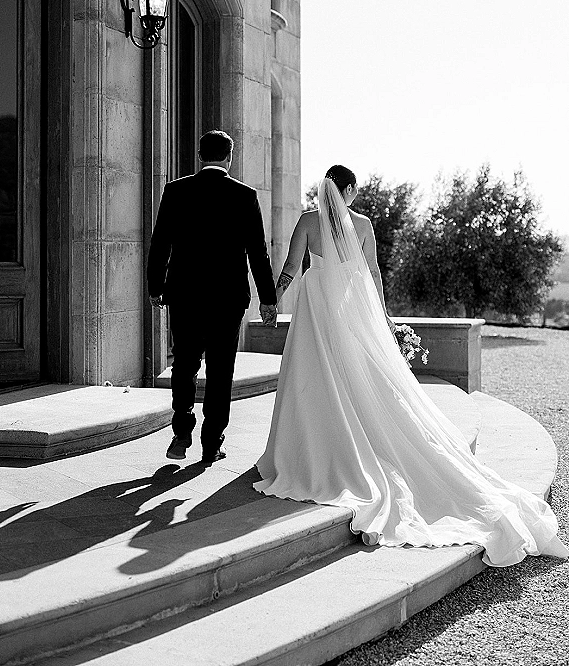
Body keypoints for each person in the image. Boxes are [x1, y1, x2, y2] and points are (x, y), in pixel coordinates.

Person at [254, 165, 568, 567]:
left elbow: (289, 271)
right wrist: (381, 318)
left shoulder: (308, 221)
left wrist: (270, 301)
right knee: (362, 382)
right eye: (352, 191)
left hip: (316, 313)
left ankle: (312, 448)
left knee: (312, 381)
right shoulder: (363, 224)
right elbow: (371, 274)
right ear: (347, 190)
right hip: (350, 313)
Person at [147, 130, 277, 464]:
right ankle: (211, 443)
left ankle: (181, 432)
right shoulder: (244, 195)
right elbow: (257, 252)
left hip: (185, 294)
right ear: (229, 157)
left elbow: (160, 242)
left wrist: (155, 286)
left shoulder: (176, 191)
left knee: (184, 363)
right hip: (228, 297)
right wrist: (268, 297)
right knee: (221, 370)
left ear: (201, 155)